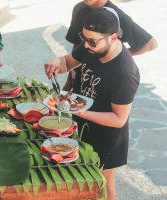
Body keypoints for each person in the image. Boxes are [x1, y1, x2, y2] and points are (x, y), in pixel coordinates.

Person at [44, 8, 140, 200]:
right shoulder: (91, 45)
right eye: (84, 38)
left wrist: (79, 111)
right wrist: (57, 62)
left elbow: (119, 119)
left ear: (113, 38)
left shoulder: (125, 72)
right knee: (83, 183)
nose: (86, 45)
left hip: (108, 138)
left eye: (92, 41)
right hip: (83, 128)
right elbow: (67, 63)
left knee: (103, 185)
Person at [63, 0, 157, 90]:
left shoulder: (117, 17)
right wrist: (69, 82)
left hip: (100, 85)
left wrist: (119, 55)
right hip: (79, 80)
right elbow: (75, 46)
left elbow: (150, 44)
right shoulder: (79, 9)